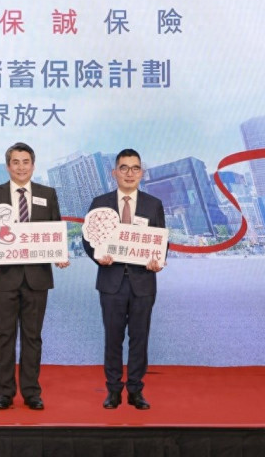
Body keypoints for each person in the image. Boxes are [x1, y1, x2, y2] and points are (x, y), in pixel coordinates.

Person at [0, 142, 69, 411]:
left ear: (33, 165)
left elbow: (54, 231)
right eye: (15, 162)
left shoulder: (47, 194)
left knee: (33, 336)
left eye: (25, 162)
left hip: (37, 277)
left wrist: (59, 253)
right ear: (8, 166)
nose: (21, 167)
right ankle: (5, 393)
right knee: (4, 336)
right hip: (4, 277)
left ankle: (31, 392)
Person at [82, 149, 166, 411]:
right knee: (113, 338)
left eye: (135, 168)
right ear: (114, 172)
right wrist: (98, 256)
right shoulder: (100, 203)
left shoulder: (153, 204)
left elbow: (161, 241)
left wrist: (157, 260)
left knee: (140, 339)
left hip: (143, 282)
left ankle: (136, 391)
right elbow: (87, 238)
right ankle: (113, 390)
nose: (130, 173)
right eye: (124, 168)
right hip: (111, 281)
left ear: (142, 173)